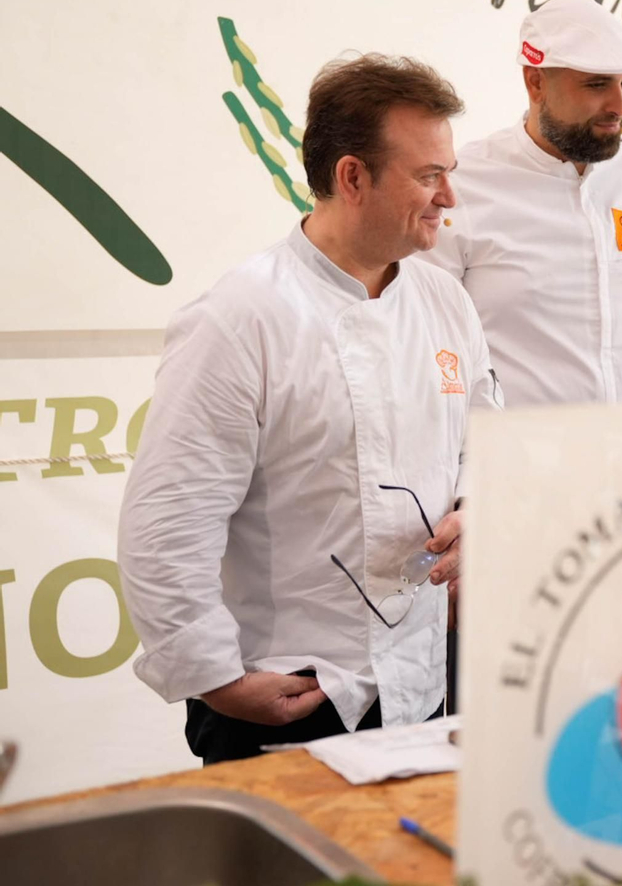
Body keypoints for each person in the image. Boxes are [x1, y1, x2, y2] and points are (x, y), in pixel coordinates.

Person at [118, 54, 501, 763]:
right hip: (293, 694)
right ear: (353, 177)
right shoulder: (241, 317)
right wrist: (217, 679)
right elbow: (168, 524)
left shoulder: (445, 302)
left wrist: (475, 507)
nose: (450, 196)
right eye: (428, 175)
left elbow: (485, 439)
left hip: (423, 683)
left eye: (448, 172)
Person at [420, 0, 622, 406]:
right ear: (535, 82)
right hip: (508, 448)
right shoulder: (462, 185)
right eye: (597, 85)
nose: (619, 105)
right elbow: (428, 351)